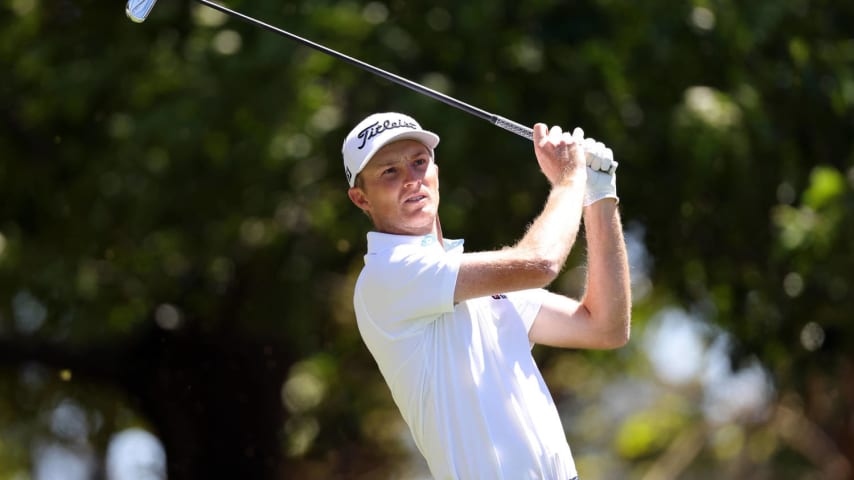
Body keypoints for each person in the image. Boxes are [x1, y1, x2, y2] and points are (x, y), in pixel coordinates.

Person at [342, 112, 631, 480]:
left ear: (436, 171)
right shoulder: (387, 274)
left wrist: (599, 196)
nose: (412, 180)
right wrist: (570, 181)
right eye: (389, 172)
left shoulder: (469, 278)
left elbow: (604, 327)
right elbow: (541, 262)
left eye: (418, 163)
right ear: (360, 198)